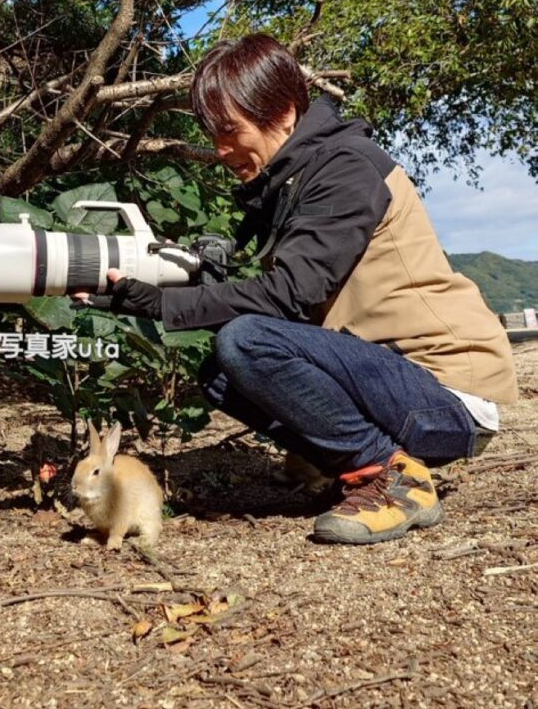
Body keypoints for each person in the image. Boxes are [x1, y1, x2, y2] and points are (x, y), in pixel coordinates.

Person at [80, 33, 518, 545]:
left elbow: (286, 295)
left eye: (229, 132)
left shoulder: (345, 166)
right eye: (212, 134)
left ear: (284, 111)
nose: (220, 150)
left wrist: (164, 304)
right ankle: (359, 466)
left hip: (447, 393)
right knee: (222, 371)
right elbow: (282, 300)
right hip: (395, 382)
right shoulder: (291, 184)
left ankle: (395, 479)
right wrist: (152, 283)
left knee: (244, 340)